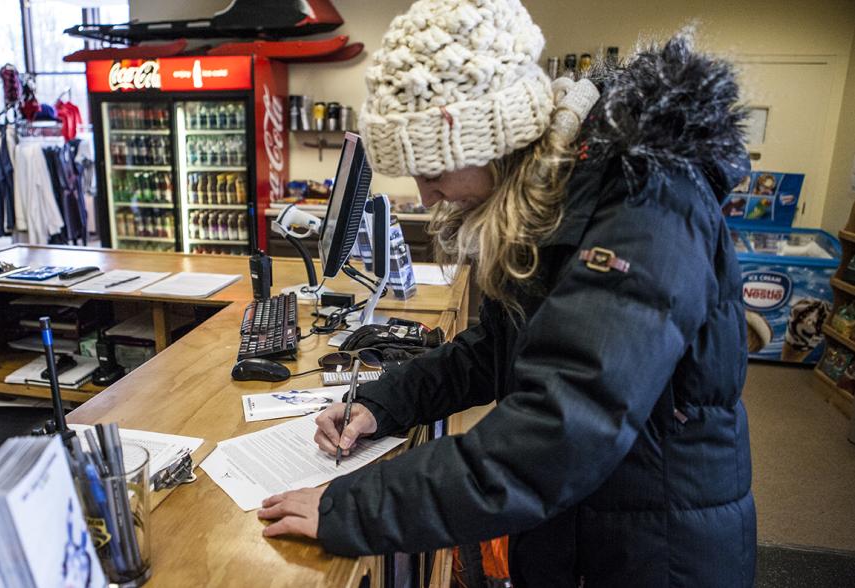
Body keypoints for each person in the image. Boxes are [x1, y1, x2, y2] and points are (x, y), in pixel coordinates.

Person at [258, 0, 756, 585]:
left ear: (493, 141)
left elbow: (562, 428)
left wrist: (351, 506)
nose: (427, 195)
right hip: (583, 527)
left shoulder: (642, 199)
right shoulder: (551, 196)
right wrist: (382, 404)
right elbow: (499, 350)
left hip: (656, 546)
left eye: (435, 169)